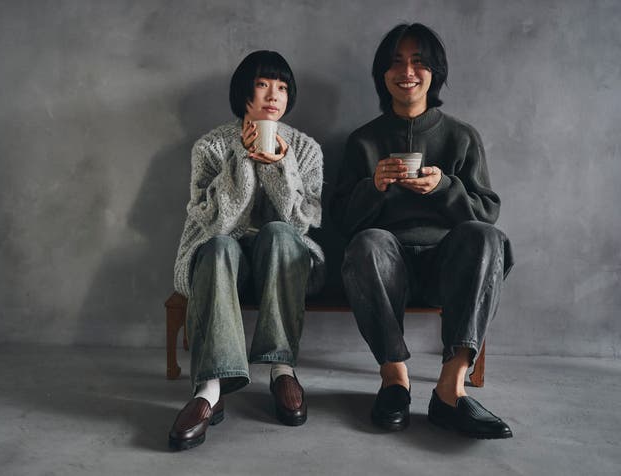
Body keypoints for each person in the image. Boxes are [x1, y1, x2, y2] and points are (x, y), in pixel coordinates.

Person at [331, 23, 514, 439]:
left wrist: (446, 187)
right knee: (368, 241)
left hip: (444, 268)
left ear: (435, 72)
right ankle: (394, 379)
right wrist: (373, 187)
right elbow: (339, 220)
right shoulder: (363, 141)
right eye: (396, 62)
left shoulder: (462, 137)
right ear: (383, 74)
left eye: (419, 62)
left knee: (488, 238)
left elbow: (487, 212)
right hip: (385, 270)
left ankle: (451, 388)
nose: (407, 71)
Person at [169, 50, 325, 450]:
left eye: (282, 87)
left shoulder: (306, 149)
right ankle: (209, 388)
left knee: (278, 233)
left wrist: (278, 167)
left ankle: (282, 369)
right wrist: (241, 156)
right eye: (263, 84)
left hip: (281, 260)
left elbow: (300, 224)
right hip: (222, 261)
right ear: (244, 92)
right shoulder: (209, 147)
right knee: (220, 245)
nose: (274, 95)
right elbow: (215, 224)